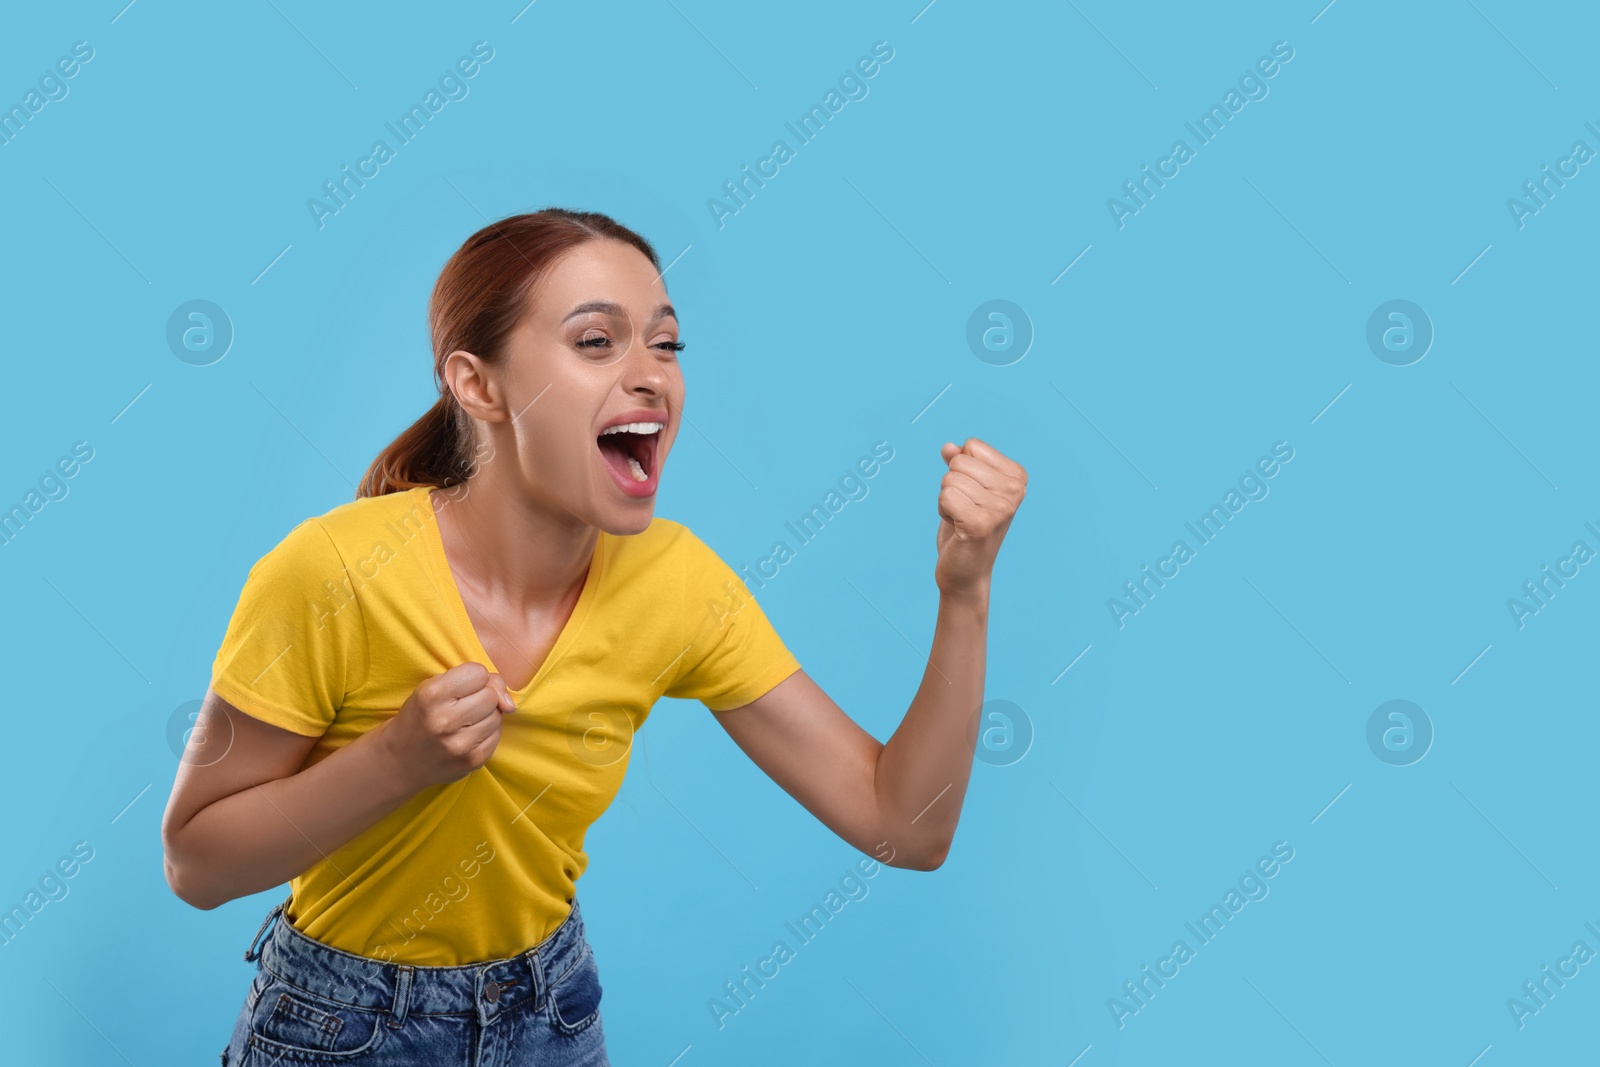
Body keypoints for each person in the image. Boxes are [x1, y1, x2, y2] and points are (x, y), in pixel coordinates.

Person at [160, 208, 1027, 1065]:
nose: (651, 375)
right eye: (595, 341)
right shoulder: (330, 573)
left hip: (551, 1015)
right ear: (478, 384)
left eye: (666, 343)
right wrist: (392, 762)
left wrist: (965, 591)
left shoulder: (677, 583)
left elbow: (904, 826)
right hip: (338, 1025)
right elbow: (196, 863)